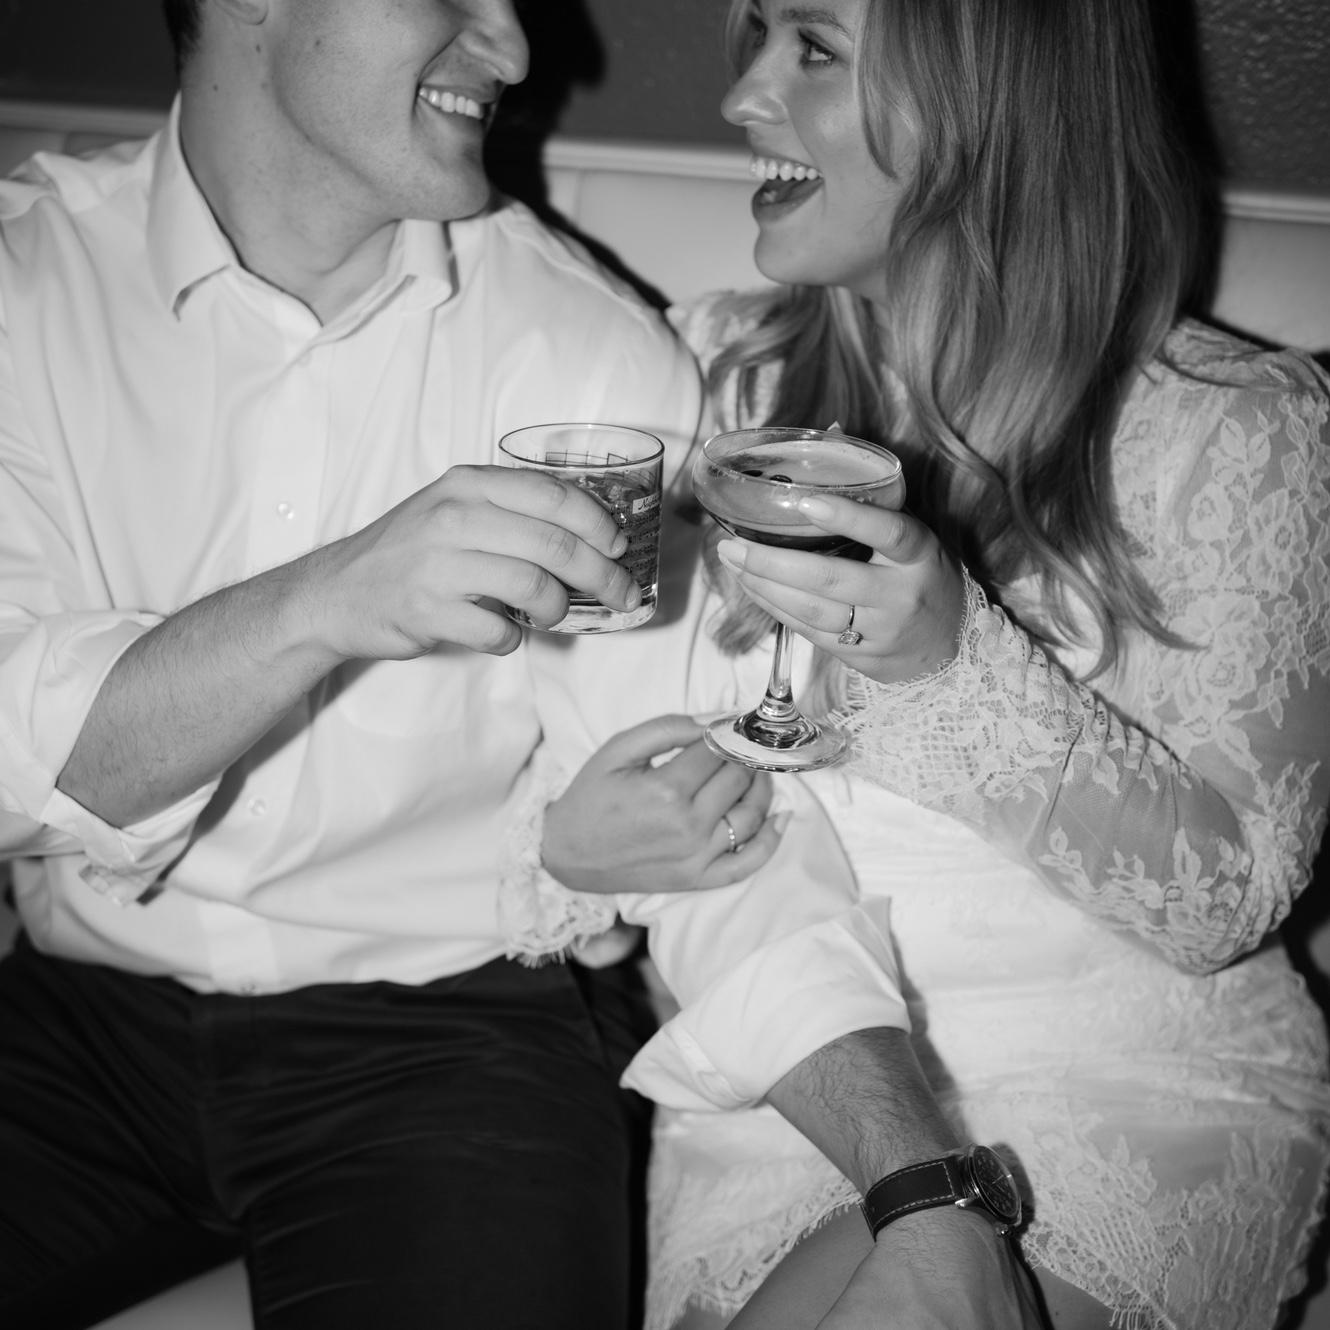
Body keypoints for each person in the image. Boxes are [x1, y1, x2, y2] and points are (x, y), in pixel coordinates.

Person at [0, 2, 1052, 1329]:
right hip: (66, 1025)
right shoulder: (25, 285)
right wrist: (326, 600)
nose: (509, 49)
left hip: (448, 1051)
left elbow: (708, 825)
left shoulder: (586, 358)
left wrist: (927, 1191)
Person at [504, 0, 1330, 1327]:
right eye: (755, 39)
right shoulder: (699, 379)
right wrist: (569, 856)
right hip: (782, 1105)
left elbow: (1223, 903)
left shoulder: (1234, 432)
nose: (742, 97)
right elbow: (523, 732)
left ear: (990, 97)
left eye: (814, 49)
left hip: (1118, 1094)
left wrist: (950, 660)